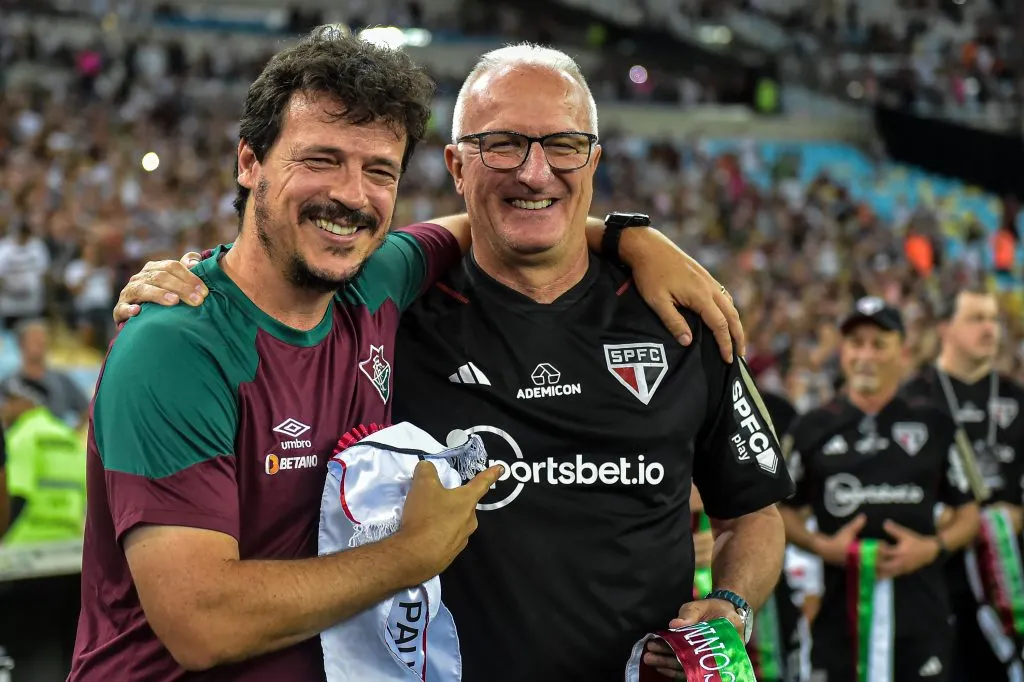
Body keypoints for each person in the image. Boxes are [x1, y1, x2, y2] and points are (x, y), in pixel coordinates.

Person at [119, 43, 792, 682]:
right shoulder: (390, 307)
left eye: (564, 145)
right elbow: (199, 620)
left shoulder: (681, 316)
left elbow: (754, 511)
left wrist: (731, 606)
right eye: (500, 144)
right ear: (456, 166)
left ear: (593, 158)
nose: (534, 169)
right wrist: (408, 557)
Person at [779, 297, 984, 682]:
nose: (866, 355)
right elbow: (780, 510)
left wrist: (931, 547)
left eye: (879, 343)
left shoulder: (936, 425)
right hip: (837, 620)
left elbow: (969, 513)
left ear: (903, 353)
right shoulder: (810, 428)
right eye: (856, 343)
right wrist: (823, 546)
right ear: (843, 353)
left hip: (921, 617)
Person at [900, 287, 1024, 682]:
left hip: (1010, 581)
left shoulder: (1015, 398)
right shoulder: (914, 399)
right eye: (976, 319)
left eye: (993, 319)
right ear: (945, 328)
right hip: (939, 579)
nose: (990, 329)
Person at [0, 377, 86, 547]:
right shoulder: (69, 437)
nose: (5, 407)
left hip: (25, 543)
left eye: (11, 400)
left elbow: (17, 495)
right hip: (68, 540)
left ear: (28, 402)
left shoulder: (22, 435)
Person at [0, 319, 91, 428]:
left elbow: (87, 409)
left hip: (54, 440)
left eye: (43, 340)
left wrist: (72, 433)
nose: (40, 344)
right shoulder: (9, 383)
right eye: (35, 340)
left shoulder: (61, 381)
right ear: (21, 344)